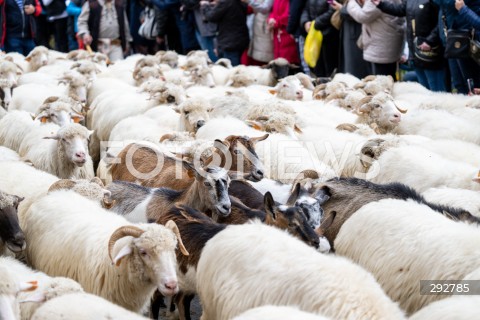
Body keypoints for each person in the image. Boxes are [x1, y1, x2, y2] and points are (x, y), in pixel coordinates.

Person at [372, 0, 445, 91]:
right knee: (424, 90)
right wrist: (380, 4)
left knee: (436, 90)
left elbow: (441, 21)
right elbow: (400, 10)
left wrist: (430, 41)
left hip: (431, 52)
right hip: (416, 51)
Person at [347, 0, 405, 79]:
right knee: (389, 76)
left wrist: (351, 2)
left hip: (381, 45)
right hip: (388, 41)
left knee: (382, 81)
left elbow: (362, 16)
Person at [434, 0, 480, 93]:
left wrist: (463, 9)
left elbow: (450, 3)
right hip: (456, 39)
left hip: (471, 42)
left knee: (471, 87)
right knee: (459, 84)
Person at [201, 0, 249, 66]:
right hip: (239, 38)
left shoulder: (225, 2)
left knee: (231, 69)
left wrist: (205, 6)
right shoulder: (238, 2)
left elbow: (211, 16)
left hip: (229, 41)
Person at [329, 0, 370, 78]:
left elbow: (361, 14)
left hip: (356, 34)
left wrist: (341, 8)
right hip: (349, 32)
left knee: (354, 70)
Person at [301, 0, 338, 76]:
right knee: (317, 68)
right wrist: (305, 22)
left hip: (328, 35)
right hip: (313, 35)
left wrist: (316, 23)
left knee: (329, 68)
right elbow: (305, 9)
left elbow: (332, 10)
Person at [242, 0, 274, 64]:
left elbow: (265, 8)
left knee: (263, 57)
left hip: (264, 29)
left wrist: (250, 2)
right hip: (254, 29)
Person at [269, 0, 300, 65]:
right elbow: (272, 11)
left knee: (287, 61)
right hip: (278, 34)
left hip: (286, 34)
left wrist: (277, 22)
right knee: (278, 60)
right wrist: (271, 19)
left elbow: (289, 15)